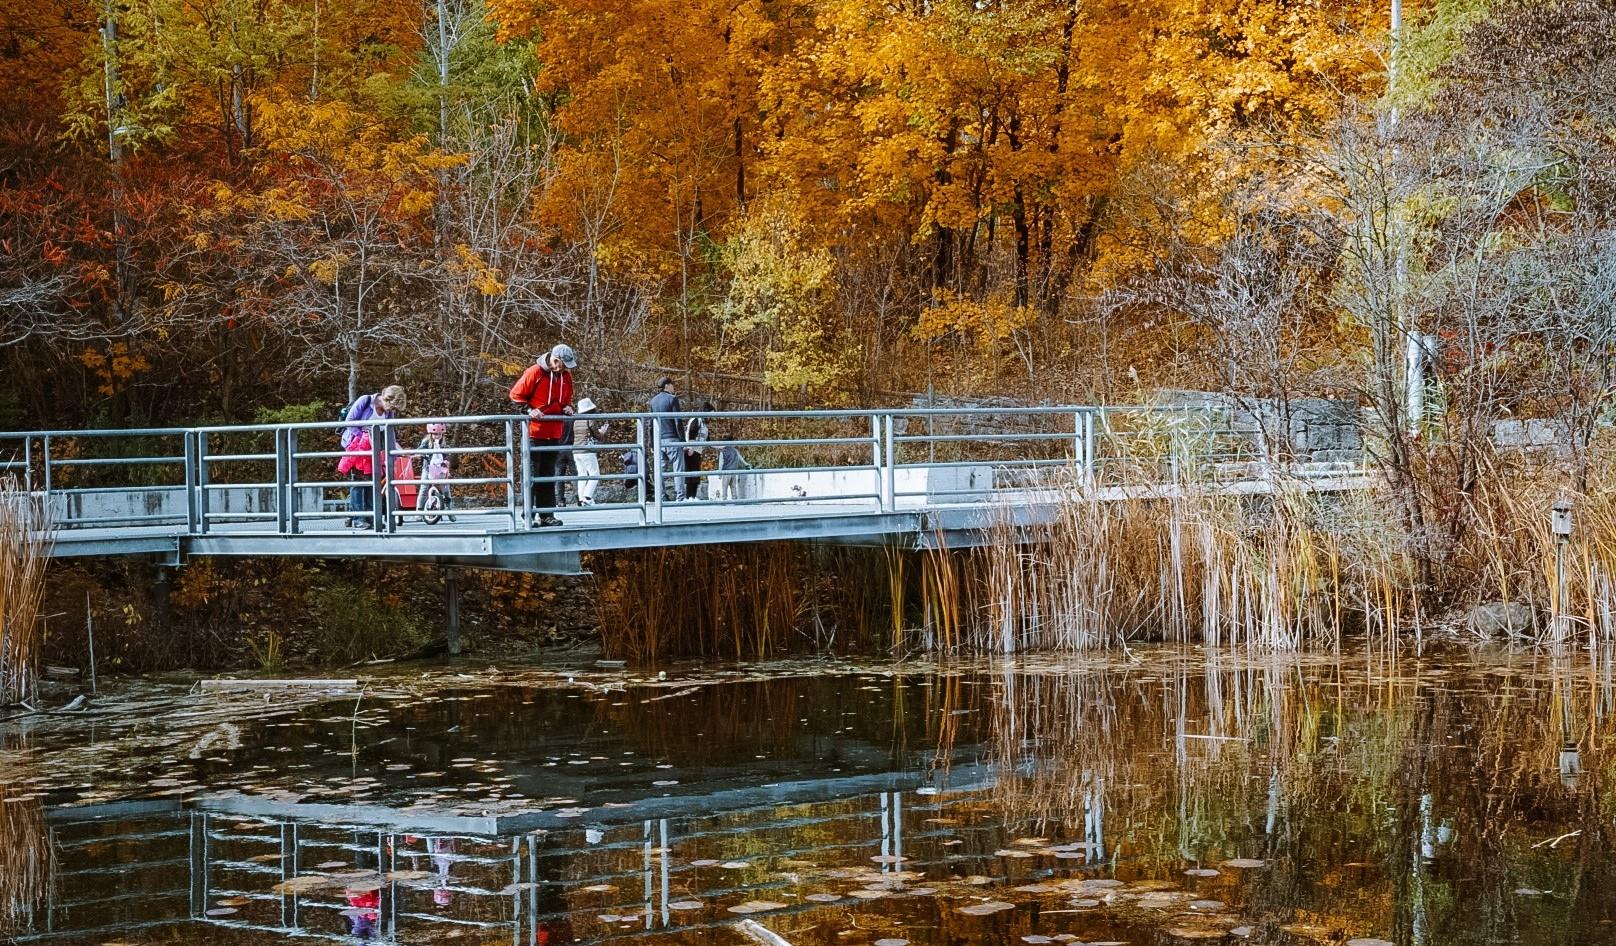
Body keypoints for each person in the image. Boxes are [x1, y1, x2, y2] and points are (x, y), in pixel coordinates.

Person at [510, 344, 576, 526]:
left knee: (548, 475)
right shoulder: (535, 372)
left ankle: (547, 514)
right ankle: (529, 515)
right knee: (531, 475)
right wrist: (529, 409)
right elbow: (516, 395)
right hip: (534, 433)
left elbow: (566, 399)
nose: (563, 369)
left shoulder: (566, 377)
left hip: (554, 433)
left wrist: (568, 407)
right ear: (555, 360)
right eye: (562, 365)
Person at [340, 384, 404, 527]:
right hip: (356, 447)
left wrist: (394, 453)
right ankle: (358, 519)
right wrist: (364, 436)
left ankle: (371, 517)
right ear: (387, 400)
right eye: (392, 407)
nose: (393, 411)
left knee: (372, 483)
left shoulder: (388, 412)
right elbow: (349, 422)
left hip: (373, 449)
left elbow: (390, 433)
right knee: (358, 483)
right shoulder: (366, 401)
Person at [648, 376, 685, 501]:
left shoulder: (653, 401)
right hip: (673, 438)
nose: (673, 387)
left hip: (659, 440)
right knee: (678, 468)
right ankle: (680, 497)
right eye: (672, 385)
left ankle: (661, 496)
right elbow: (677, 421)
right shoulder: (672, 399)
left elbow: (650, 424)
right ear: (667, 386)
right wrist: (682, 440)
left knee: (660, 469)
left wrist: (651, 443)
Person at [571, 398, 609, 506]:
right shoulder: (590, 419)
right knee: (595, 474)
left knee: (582, 474)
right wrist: (602, 432)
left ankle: (581, 498)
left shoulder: (576, 419)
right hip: (587, 450)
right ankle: (587, 497)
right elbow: (596, 434)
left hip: (576, 450)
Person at [417, 423, 455, 521]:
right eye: (435, 434)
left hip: (440, 469)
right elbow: (419, 450)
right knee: (424, 488)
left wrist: (447, 464)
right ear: (430, 434)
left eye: (439, 434)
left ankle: (450, 511)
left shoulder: (444, 444)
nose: (437, 436)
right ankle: (419, 511)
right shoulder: (426, 442)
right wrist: (420, 454)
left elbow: (447, 456)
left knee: (446, 489)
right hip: (428, 468)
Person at [682, 402, 714, 500]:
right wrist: (690, 447)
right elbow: (690, 434)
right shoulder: (696, 420)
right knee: (690, 474)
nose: (711, 417)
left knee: (696, 473)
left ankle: (693, 495)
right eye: (711, 413)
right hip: (691, 450)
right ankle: (688, 496)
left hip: (698, 451)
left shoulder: (705, 424)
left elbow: (708, 440)